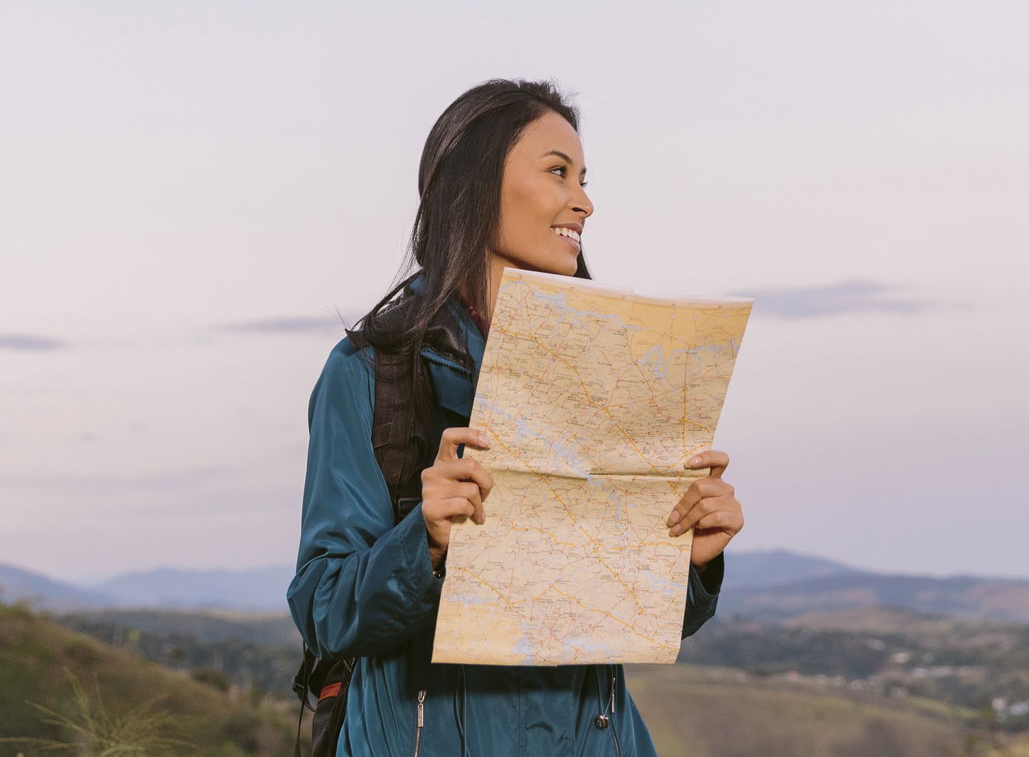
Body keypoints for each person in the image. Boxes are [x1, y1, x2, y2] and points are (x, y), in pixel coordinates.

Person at [287, 79, 746, 756]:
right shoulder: (368, 373)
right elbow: (324, 610)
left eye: (584, 178)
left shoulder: (610, 371)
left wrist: (691, 562)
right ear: (474, 183)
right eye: (558, 172)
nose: (584, 201)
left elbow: (606, 613)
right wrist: (427, 541)